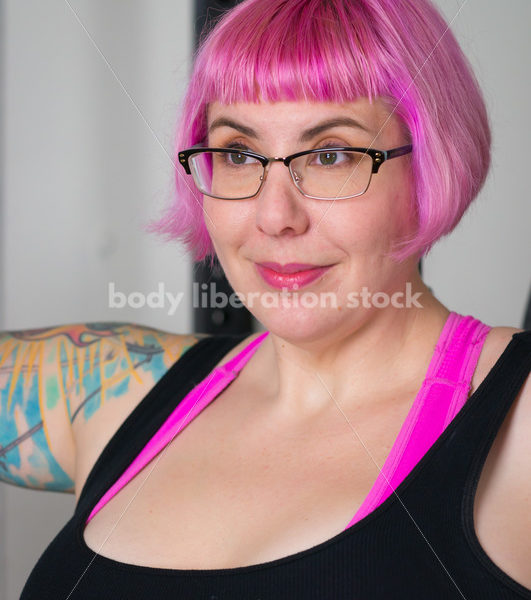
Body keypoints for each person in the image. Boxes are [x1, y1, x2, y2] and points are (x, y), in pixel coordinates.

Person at [1, 0, 530, 598]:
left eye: (331, 155)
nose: (275, 216)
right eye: (237, 154)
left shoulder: (520, 423)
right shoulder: (110, 393)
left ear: (432, 166)